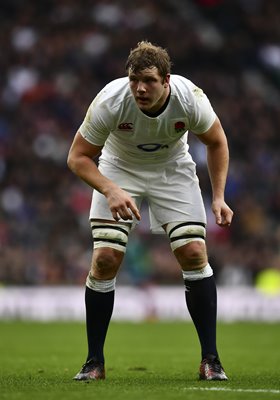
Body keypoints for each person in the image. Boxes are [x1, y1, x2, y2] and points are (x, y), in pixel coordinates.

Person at [67, 41, 233, 381]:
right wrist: (110, 189)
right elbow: (77, 156)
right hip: (118, 168)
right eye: (134, 79)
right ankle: (94, 362)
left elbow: (216, 141)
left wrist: (218, 197)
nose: (140, 88)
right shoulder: (111, 100)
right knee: (105, 260)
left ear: (167, 79)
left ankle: (211, 360)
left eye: (149, 80)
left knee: (193, 252)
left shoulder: (190, 98)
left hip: (172, 168)